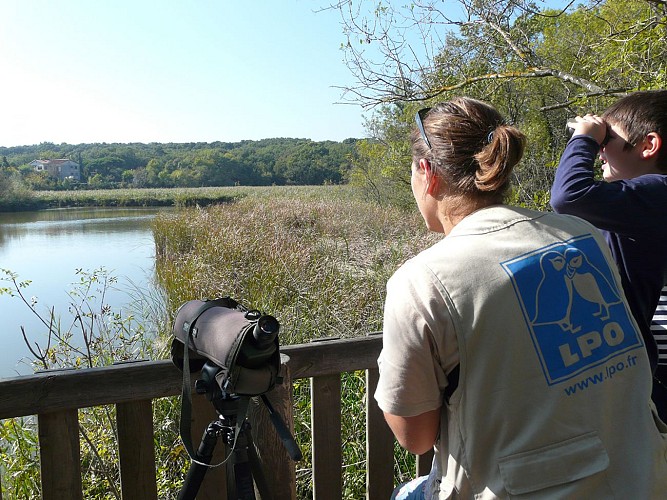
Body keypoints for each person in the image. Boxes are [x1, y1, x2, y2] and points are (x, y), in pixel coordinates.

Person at [374, 97, 667, 499]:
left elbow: (417, 437)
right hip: (635, 475)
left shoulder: (420, 281)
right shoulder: (581, 236)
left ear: (427, 173)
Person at [550, 90, 667, 421]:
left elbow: (568, 196)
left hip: (634, 368)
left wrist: (584, 138)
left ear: (648, 145)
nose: (600, 152)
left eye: (607, 139)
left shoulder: (660, 192)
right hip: (625, 361)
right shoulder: (637, 204)